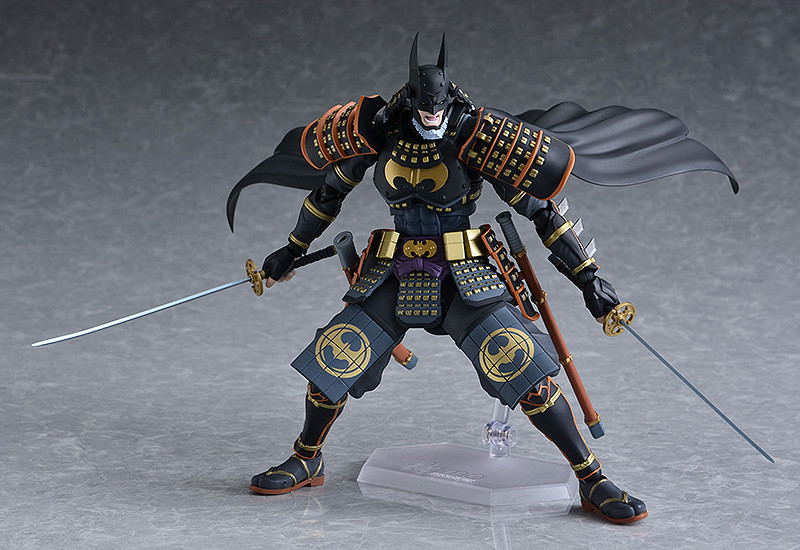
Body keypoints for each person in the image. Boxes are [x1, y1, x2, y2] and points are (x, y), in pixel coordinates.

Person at [226, 34, 737, 524]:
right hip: (394, 269)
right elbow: (326, 195)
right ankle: (308, 457)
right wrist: (290, 250)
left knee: (523, 366)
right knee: (335, 357)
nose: (431, 117)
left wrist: (589, 280)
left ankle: (590, 477)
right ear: (410, 102)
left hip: (463, 276)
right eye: (424, 108)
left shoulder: (476, 137)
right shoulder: (379, 133)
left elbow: (542, 212)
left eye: (438, 108)